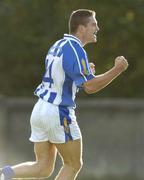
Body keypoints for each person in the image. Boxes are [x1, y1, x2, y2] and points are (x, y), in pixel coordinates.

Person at [0, 9, 128, 180]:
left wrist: (84, 71)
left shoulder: (59, 44)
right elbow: (89, 87)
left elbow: (63, 76)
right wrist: (117, 69)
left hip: (40, 109)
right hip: (58, 112)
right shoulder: (75, 49)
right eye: (93, 24)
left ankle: (4, 174)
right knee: (73, 164)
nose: (97, 27)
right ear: (82, 28)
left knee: (42, 167)